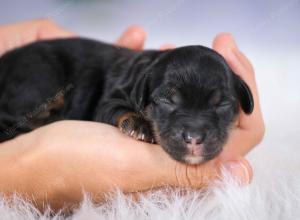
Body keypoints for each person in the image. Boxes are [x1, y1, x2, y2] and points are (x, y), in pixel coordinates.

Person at [0, 19, 264, 211]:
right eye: (170, 102)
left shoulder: (154, 81)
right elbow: (109, 106)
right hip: (49, 63)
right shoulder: (134, 85)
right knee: (33, 97)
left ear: (243, 100)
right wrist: (17, 165)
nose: (194, 134)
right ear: (142, 95)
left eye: (219, 106)